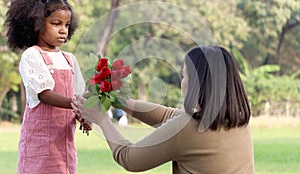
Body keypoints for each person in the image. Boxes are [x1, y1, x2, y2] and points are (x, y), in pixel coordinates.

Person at [75, 46, 255, 173]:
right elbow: (170, 116)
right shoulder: (237, 120)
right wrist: (122, 101)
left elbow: (130, 159)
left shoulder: (187, 128)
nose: (182, 81)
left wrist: (103, 120)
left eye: (184, 75)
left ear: (195, 82)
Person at [5, 0, 91, 174]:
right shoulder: (33, 55)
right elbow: (44, 93)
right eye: (55, 23)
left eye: (67, 25)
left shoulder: (69, 60)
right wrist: (75, 104)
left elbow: (78, 96)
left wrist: (83, 115)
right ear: (35, 24)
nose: (63, 30)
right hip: (40, 143)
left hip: (64, 143)